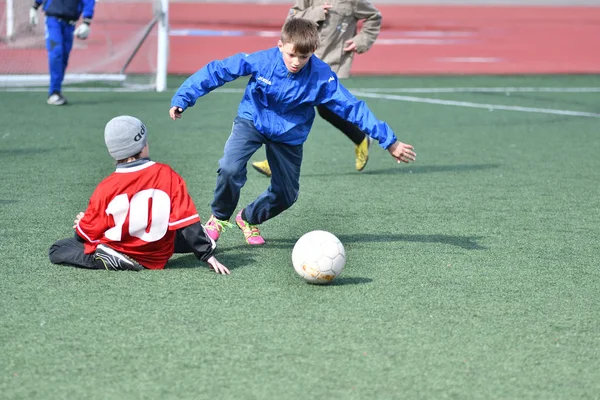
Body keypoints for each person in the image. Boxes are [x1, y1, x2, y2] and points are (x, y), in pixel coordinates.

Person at [169, 18, 416, 246]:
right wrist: (184, 97)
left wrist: (389, 141)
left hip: (289, 134)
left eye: (304, 57)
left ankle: (250, 218)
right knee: (230, 167)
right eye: (291, 55)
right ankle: (219, 219)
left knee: (286, 195)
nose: (297, 62)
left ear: (313, 53)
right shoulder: (262, 61)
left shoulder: (321, 77)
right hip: (253, 121)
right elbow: (218, 71)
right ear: (280, 46)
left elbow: (353, 108)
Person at [48, 115, 230, 274]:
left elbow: (86, 235)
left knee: (58, 249)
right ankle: (204, 241)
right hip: (159, 252)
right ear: (143, 146)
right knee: (175, 230)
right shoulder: (168, 174)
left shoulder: (107, 186)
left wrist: (82, 224)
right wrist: (206, 254)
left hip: (124, 247)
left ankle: (114, 259)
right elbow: (186, 221)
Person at [251, 0, 382, 176]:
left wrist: (362, 40)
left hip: (330, 62)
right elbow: (291, 20)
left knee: (297, 107)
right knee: (322, 110)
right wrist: (316, 12)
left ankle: (277, 161)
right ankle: (361, 139)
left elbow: (374, 17)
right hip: (303, 60)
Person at [29, 0, 96, 105]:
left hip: (70, 24)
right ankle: (54, 92)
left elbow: (88, 1)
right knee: (56, 53)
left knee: (64, 58)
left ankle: (57, 91)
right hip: (53, 20)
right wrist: (35, 6)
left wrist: (86, 21)